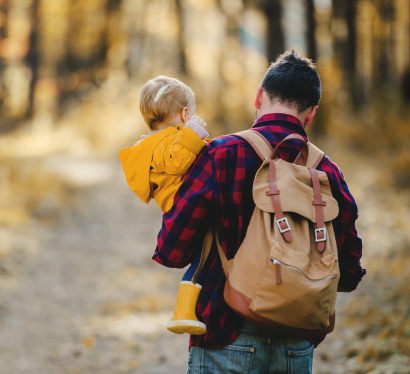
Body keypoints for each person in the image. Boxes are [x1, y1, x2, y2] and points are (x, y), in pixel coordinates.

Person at [152, 51, 366, 373]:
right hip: (296, 346)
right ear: (311, 114)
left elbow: (172, 249)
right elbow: (348, 274)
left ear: (259, 96)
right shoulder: (328, 174)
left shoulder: (219, 155)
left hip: (226, 335)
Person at [118, 75, 211, 335]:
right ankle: (183, 312)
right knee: (201, 258)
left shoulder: (159, 141)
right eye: (193, 114)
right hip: (188, 206)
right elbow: (177, 162)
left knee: (201, 257)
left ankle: (192, 308)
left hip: (184, 206)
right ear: (184, 114)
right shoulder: (169, 141)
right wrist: (194, 135)